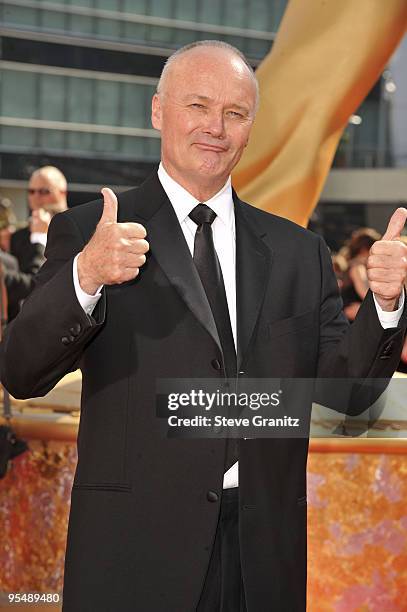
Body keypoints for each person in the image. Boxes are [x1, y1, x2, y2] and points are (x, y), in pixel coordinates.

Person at [1, 41, 407, 612]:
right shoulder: (90, 233)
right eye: (198, 105)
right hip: (133, 553)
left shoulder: (300, 252)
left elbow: (349, 400)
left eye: (235, 113)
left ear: (249, 128)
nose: (216, 127)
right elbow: (21, 370)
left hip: (262, 559)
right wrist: (87, 277)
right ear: (157, 111)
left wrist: (385, 305)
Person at [7, 166, 68, 320]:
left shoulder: (79, 227)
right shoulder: (18, 236)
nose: (36, 197)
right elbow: (23, 283)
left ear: (62, 192)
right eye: (31, 191)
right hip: (29, 318)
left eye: (44, 191)